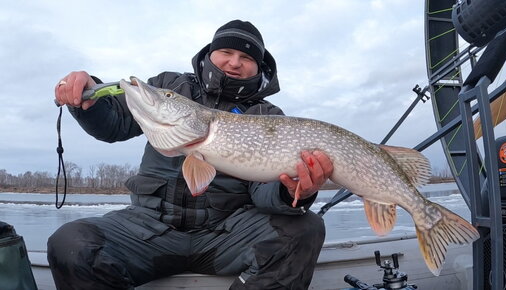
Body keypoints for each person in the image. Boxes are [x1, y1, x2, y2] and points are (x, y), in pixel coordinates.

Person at [49, 20, 334, 290]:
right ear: (210, 54)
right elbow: (114, 123)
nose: (234, 62)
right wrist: (89, 97)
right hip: (148, 228)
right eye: (226, 52)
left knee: (305, 229)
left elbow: (264, 190)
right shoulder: (170, 87)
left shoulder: (267, 116)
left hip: (227, 234)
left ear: (257, 68)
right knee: (71, 243)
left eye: (246, 58)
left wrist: (293, 193)